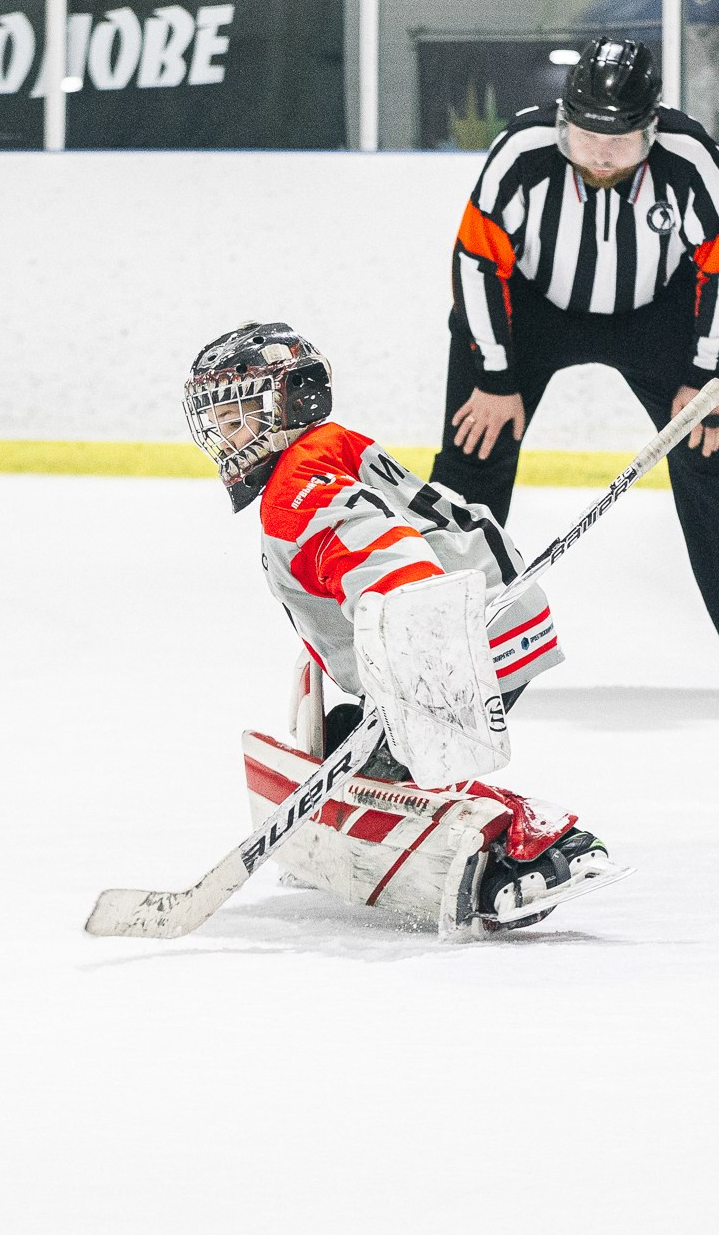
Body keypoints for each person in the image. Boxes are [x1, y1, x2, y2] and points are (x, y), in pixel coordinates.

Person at [182, 321, 628, 934]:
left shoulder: (296, 495)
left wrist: (418, 684)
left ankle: (543, 847)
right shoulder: (330, 445)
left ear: (290, 405)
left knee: (397, 779)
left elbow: (400, 569)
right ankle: (392, 770)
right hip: (481, 619)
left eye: (240, 417)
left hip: (449, 643)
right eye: (221, 420)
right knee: (355, 744)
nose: (225, 437)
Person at [427, 34, 719, 687]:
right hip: (529, 309)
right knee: (475, 447)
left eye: (621, 139)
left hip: (658, 312)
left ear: (651, 130)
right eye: (584, 135)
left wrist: (705, 370)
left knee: (715, 448)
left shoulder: (693, 162)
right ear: (562, 121)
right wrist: (494, 374)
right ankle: (434, 616)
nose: (601, 153)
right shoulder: (520, 155)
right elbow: (475, 261)